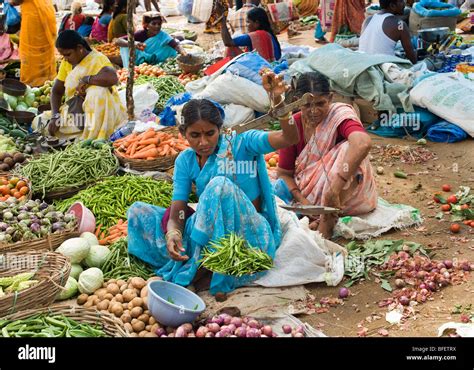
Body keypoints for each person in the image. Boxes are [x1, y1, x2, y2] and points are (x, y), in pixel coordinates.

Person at [127, 70, 299, 295]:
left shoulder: (241, 142)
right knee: (139, 212)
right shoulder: (185, 160)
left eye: (210, 133)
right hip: (209, 232)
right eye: (195, 135)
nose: (203, 142)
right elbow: (179, 206)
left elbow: (290, 138)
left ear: (221, 129)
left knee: (219, 186)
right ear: (183, 134)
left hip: (246, 235)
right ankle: (194, 259)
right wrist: (174, 232)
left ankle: (201, 269)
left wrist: (279, 101)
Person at [274, 72, 377, 239]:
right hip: (308, 195)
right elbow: (284, 173)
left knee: (348, 149)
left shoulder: (338, 116)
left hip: (346, 196)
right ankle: (318, 216)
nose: (314, 111)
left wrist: (334, 189)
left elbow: (363, 143)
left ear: (330, 98)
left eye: (320, 103)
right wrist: (303, 200)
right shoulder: (294, 124)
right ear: (296, 102)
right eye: (307, 105)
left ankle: (327, 220)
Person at [48, 31, 126, 140]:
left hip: (100, 112)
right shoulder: (66, 63)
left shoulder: (98, 59)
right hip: (76, 111)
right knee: (41, 123)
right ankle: (84, 132)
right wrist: (55, 116)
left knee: (97, 91)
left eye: (68, 54)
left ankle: (97, 134)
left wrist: (87, 79)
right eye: (63, 55)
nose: (65, 58)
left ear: (79, 48)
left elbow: (112, 78)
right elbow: (56, 90)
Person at [9, 0, 57, 86]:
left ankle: (33, 83)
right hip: (46, 9)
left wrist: (11, 3)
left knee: (31, 51)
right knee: (44, 48)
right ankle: (47, 81)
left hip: (34, 14)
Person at [114, 12, 185, 68]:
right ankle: (131, 68)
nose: (157, 26)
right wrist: (134, 44)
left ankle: (155, 64)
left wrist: (184, 53)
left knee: (169, 46)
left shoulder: (163, 35)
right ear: (146, 25)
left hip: (156, 60)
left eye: (159, 24)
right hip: (139, 61)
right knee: (125, 46)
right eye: (153, 24)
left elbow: (176, 45)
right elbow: (117, 41)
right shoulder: (140, 34)